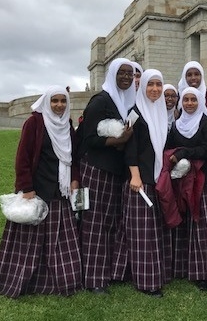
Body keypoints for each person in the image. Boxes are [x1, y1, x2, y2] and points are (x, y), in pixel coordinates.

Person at [0, 86, 82, 298]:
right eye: (54, 101)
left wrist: (74, 179)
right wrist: (27, 187)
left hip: (61, 191)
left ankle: (62, 280)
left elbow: (73, 156)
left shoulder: (67, 125)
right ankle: (25, 281)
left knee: (60, 240)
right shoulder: (35, 123)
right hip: (38, 190)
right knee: (31, 241)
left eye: (63, 101)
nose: (59, 105)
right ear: (47, 102)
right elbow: (23, 156)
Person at [75, 58, 136, 294]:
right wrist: (116, 141)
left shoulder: (126, 102)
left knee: (110, 222)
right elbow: (87, 138)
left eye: (130, 74)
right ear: (111, 74)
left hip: (115, 172)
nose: (126, 77)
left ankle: (109, 272)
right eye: (121, 73)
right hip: (97, 169)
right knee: (94, 224)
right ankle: (94, 279)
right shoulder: (100, 101)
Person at [114, 69, 172, 297]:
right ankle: (147, 281)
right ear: (143, 86)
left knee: (150, 231)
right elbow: (130, 148)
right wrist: (135, 176)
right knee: (142, 234)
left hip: (155, 179)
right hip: (140, 182)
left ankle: (146, 273)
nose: (155, 89)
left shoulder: (160, 112)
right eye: (151, 85)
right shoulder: (135, 112)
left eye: (159, 84)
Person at [165, 87, 207, 291]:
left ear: (199, 102)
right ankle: (185, 267)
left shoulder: (206, 124)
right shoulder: (177, 125)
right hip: (182, 180)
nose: (189, 103)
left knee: (202, 224)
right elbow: (169, 149)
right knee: (185, 223)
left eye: (193, 100)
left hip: (204, 181)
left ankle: (206, 272)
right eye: (186, 100)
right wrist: (179, 156)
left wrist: (183, 153)